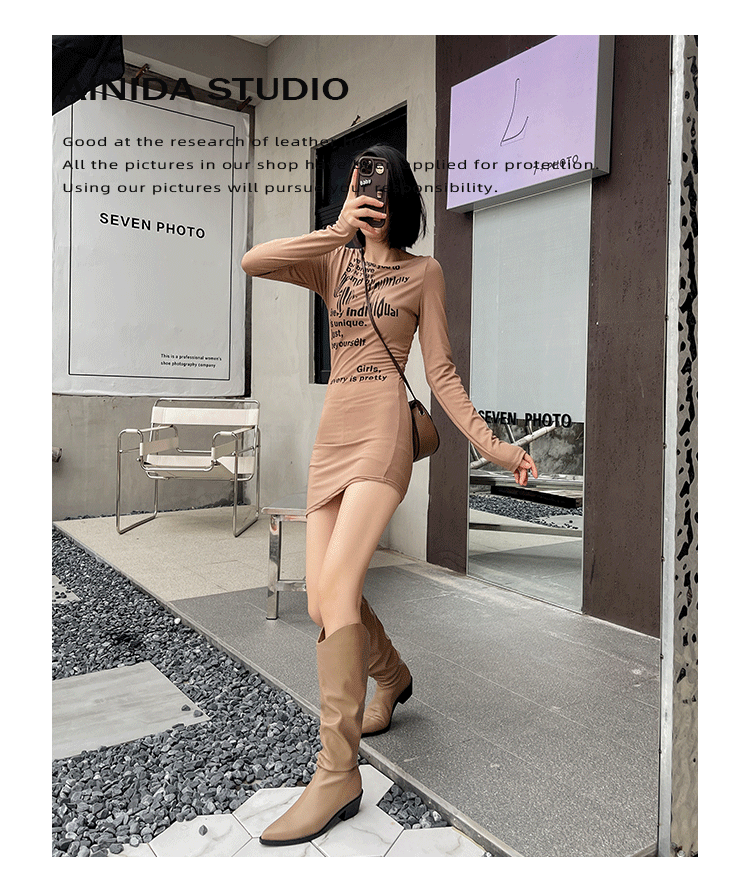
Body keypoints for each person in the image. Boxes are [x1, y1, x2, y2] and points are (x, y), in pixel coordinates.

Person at [241, 144, 538, 847]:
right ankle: (393, 676)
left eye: (377, 185)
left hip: (383, 432)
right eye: (357, 182)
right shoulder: (332, 260)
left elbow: (442, 373)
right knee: (321, 598)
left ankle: (336, 773)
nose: (367, 193)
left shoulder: (423, 272)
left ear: (399, 195)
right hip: (332, 435)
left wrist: (495, 446)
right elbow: (255, 261)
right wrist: (338, 227)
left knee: (339, 591)